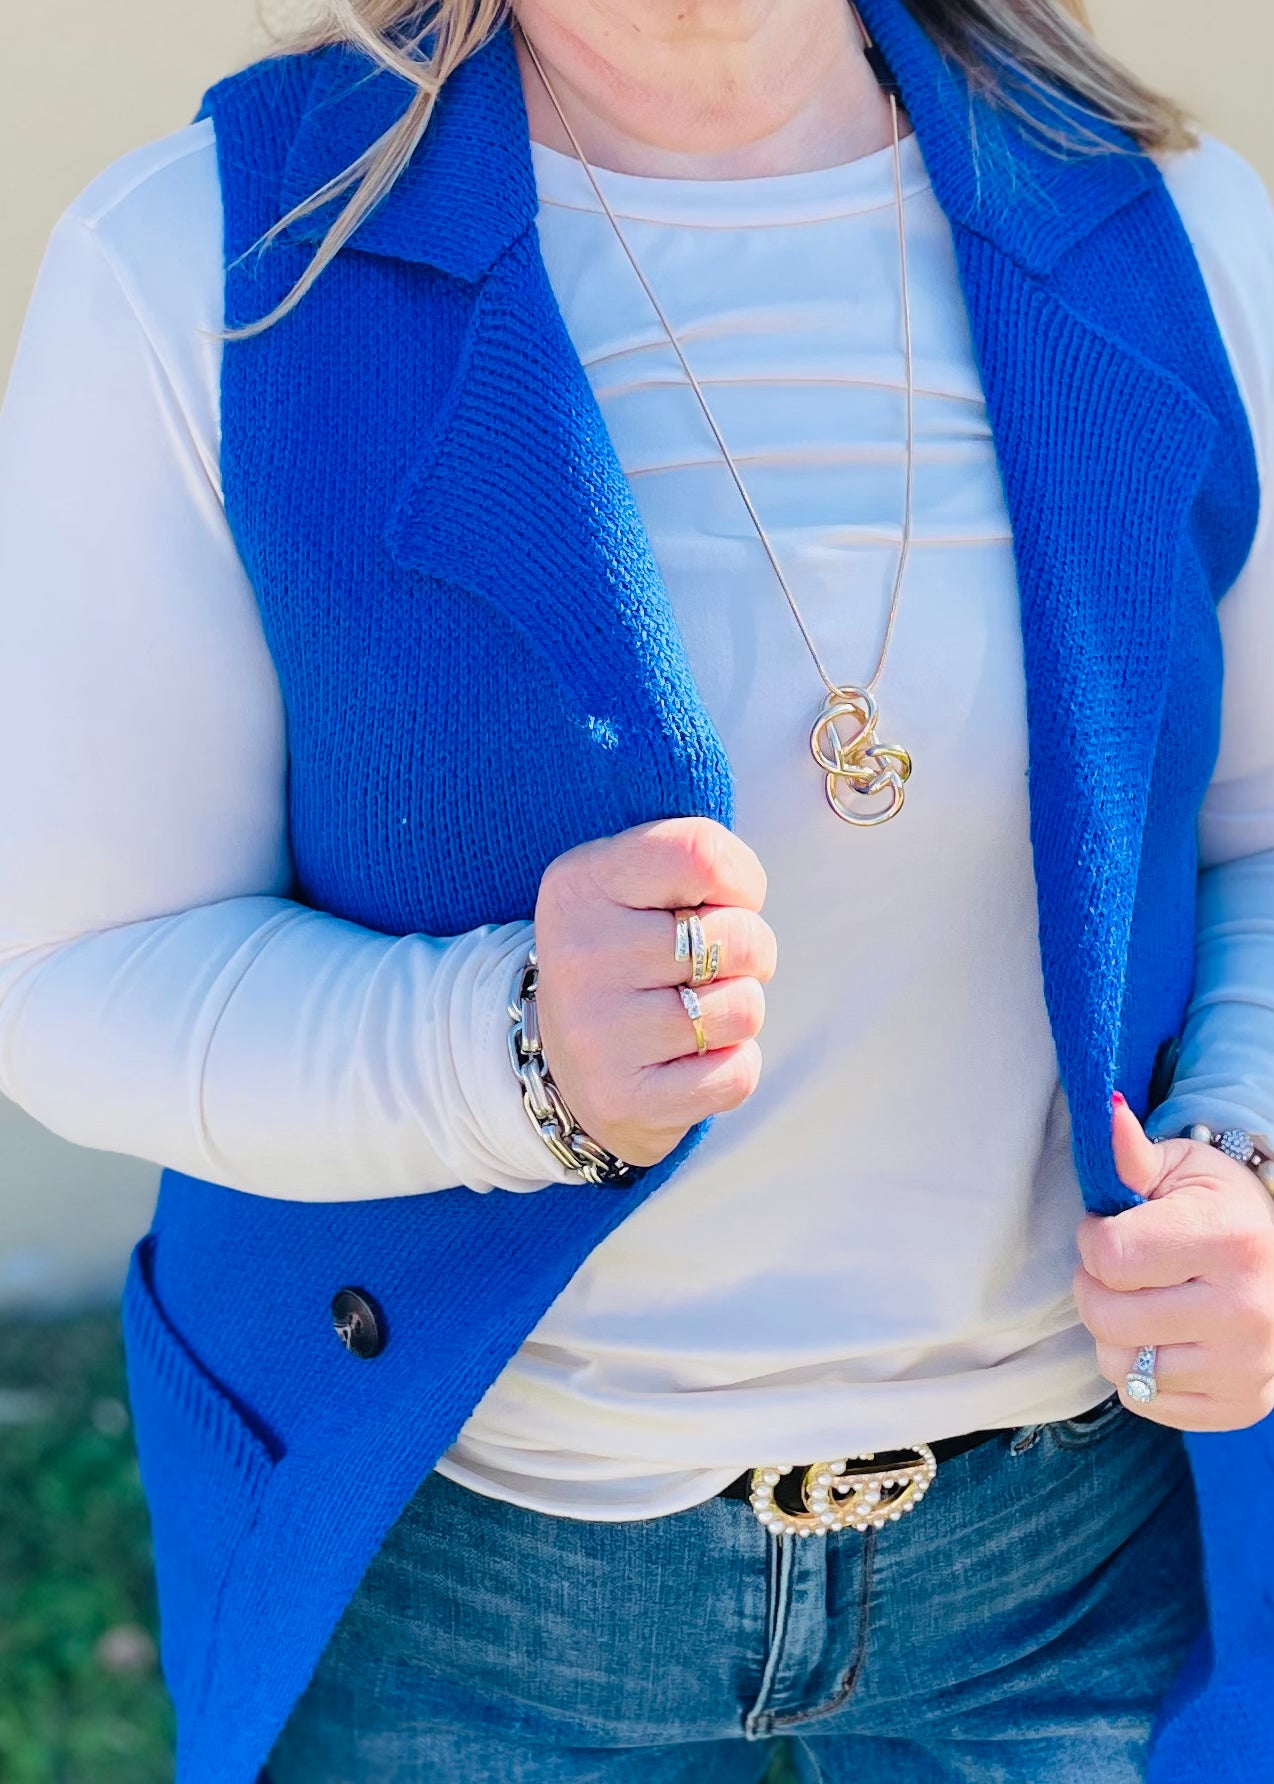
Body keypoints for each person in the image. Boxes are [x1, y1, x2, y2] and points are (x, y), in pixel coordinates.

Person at [1, 0, 1272, 1779]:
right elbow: (71, 974)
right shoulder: (215, 257)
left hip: (1069, 1575)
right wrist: (504, 1051)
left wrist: (1249, 1152)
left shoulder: (1167, 226)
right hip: (464, 1587)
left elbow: (1257, 830)